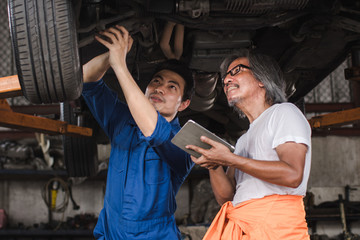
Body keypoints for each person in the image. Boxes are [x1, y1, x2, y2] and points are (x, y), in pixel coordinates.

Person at [82, 25, 195, 239]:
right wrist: (113, 55)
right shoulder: (123, 120)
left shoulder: (184, 143)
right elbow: (87, 80)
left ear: (184, 104)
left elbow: (154, 130)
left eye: (172, 87)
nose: (160, 88)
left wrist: (120, 66)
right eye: (156, 81)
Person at [186, 49, 312, 239]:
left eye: (236, 71)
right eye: (225, 77)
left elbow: (293, 174)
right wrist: (215, 164)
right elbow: (227, 198)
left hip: (276, 230)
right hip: (244, 227)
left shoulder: (284, 113)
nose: (227, 80)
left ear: (262, 78)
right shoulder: (244, 139)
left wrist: (231, 158)